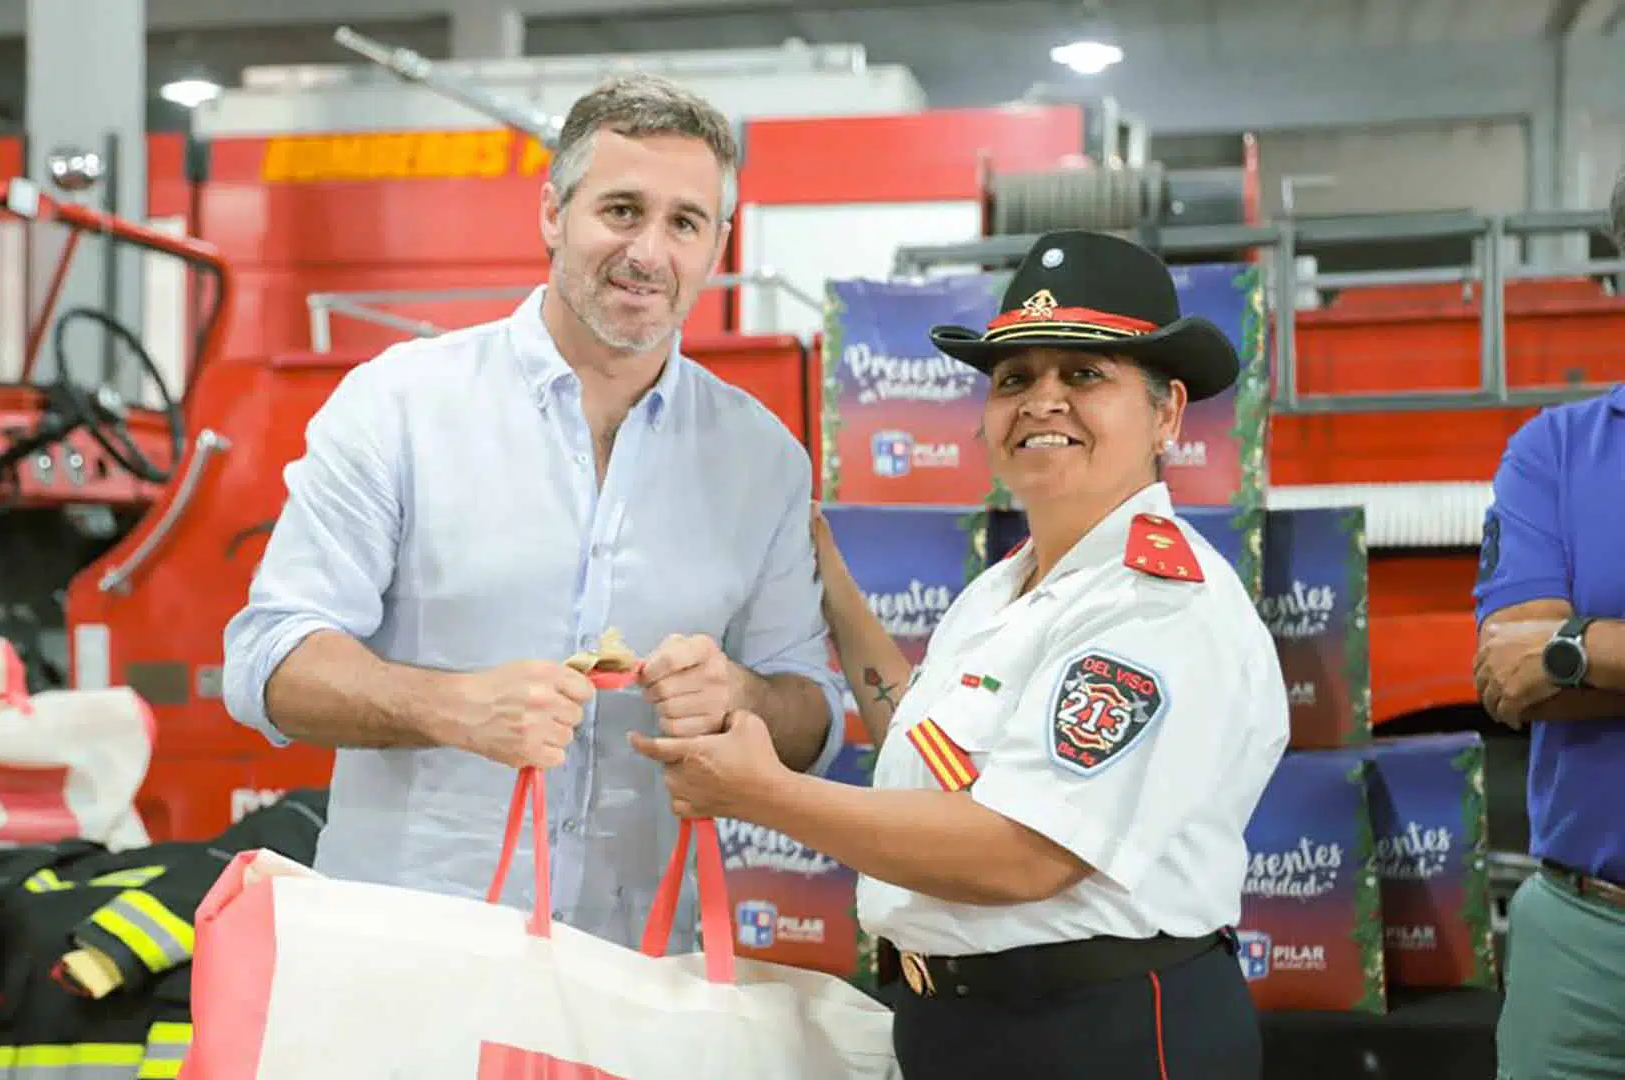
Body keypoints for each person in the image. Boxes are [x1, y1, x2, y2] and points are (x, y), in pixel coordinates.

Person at [634, 229, 1289, 1080]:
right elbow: (929, 747)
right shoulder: (1009, 586)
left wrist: (766, 794)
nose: (1041, 400)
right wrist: (824, 572)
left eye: (1084, 374)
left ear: (1165, 412)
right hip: (972, 1027)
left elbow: (1022, 851)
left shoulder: (1154, 603)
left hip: (1101, 1036)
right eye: (1015, 378)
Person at [222, 74, 844, 952]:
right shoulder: (400, 405)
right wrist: (450, 708)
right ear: (553, 213)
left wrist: (740, 697)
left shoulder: (763, 459)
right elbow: (269, 660)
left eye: (684, 222)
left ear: (717, 245)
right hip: (412, 958)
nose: (649, 251)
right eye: (621, 210)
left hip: (635, 974)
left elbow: (812, 719)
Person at [1472, 165, 1625, 1080]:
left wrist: (1582, 648)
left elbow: (1550, 663)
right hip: (1583, 948)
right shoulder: (1556, 451)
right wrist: (1565, 665)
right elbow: (1514, 682)